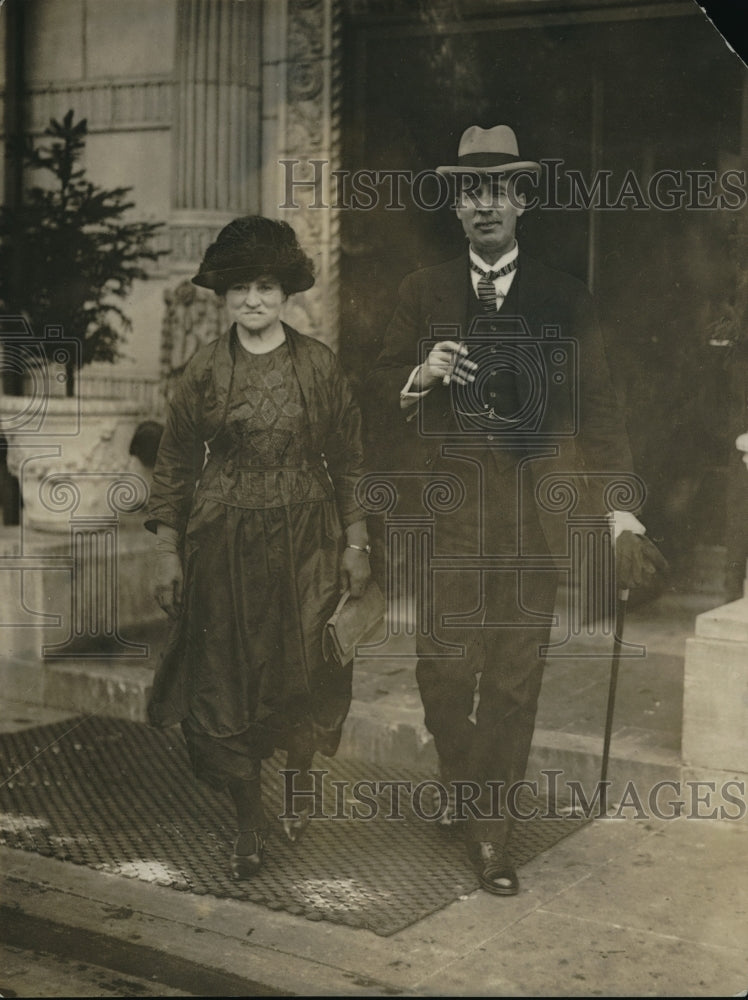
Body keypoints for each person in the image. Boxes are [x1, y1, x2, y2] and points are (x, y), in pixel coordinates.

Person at [366, 125, 663, 896]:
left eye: (500, 188)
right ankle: (467, 790)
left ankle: (491, 832)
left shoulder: (566, 296)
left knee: (511, 680)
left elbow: (602, 409)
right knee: (440, 671)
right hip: (449, 518)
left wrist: (621, 514)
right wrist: (419, 372)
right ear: (457, 206)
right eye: (472, 190)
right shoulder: (420, 292)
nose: (486, 203)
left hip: (534, 522)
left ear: (523, 200)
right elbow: (370, 394)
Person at [145, 215, 371, 879]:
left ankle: (300, 777)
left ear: (287, 292)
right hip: (223, 547)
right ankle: (247, 825)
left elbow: (351, 460)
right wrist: (167, 550)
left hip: (307, 543)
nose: (253, 300)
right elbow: (175, 463)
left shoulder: (319, 366)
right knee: (227, 683)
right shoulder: (204, 371)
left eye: (266, 286)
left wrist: (357, 541)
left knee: (304, 669)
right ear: (221, 293)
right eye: (239, 287)